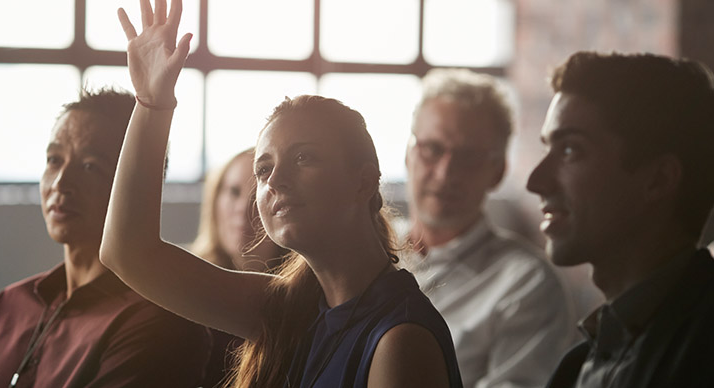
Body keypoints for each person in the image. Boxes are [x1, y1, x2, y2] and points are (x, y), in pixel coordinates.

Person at [99, 1, 462, 387]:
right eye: (263, 168)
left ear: (363, 181)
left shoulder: (400, 339)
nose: (275, 181)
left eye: (304, 157)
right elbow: (127, 252)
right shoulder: (288, 309)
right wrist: (152, 104)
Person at [0, 88, 212, 388]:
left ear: (138, 182)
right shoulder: (12, 303)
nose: (61, 183)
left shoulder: (161, 322)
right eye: (54, 160)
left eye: (89, 166)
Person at [527, 52, 714, 387]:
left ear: (657, 180)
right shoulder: (578, 366)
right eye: (547, 150)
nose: (535, 181)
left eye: (571, 150)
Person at [404, 69, 576, 388]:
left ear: (497, 171)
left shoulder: (527, 285)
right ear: (408, 154)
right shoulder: (367, 257)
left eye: (468, 157)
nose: (445, 173)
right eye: (432, 149)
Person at [191, 148, 288, 387]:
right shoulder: (187, 280)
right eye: (233, 192)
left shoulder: (305, 295)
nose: (244, 208)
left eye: (258, 195)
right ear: (214, 199)